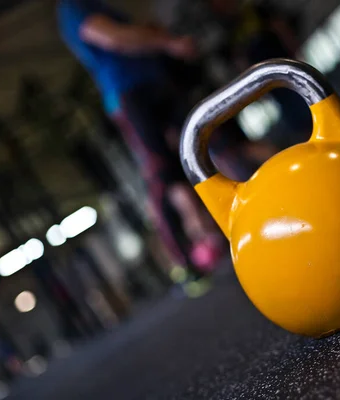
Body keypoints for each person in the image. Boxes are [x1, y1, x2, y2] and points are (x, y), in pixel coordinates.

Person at [56, 0, 222, 275]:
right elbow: (114, 39)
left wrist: (157, 38)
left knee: (200, 149)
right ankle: (184, 262)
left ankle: (210, 231)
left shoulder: (99, 5)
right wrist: (167, 42)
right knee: (161, 174)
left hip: (155, 83)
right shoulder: (71, 8)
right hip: (129, 94)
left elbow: (132, 34)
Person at [209, 0, 312, 148]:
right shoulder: (229, 29)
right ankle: (310, 144)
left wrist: (295, 51)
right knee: (295, 119)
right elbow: (240, 59)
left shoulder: (254, 10)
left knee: (308, 103)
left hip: (284, 66)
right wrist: (254, 89)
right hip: (270, 83)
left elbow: (280, 27)